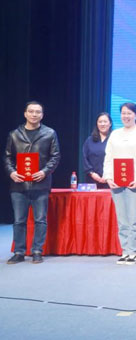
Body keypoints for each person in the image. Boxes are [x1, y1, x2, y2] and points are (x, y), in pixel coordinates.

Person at [4, 101, 61, 265]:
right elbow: (7, 157)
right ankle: (19, 252)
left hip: (40, 184)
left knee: (40, 220)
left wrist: (44, 171)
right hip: (19, 184)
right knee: (19, 220)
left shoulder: (49, 133)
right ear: (25, 114)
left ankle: (37, 251)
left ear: (42, 115)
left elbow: (55, 156)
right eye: (31, 111)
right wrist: (11, 172)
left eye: (38, 112)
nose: (34, 114)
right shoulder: (14, 134)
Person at [103, 102, 136, 265]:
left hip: (135, 182)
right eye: (123, 113)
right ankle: (125, 250)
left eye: (129, 113)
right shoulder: (115, 134)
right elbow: (108, 157)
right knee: (122, 220)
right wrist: (108, 178)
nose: (126, 116)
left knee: (135, 219)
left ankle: (133, 252)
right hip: (116, 183)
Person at [82, 112, 112, 188]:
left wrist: (108, 176)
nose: (102, 124)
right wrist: (92, 173)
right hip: (92, 180)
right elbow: (84, 158)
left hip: (111, 180)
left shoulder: (114, 140)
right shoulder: (89, 140)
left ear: (110, 124)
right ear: (97, 124)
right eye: (100, 122)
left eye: (105, 121)